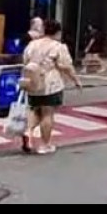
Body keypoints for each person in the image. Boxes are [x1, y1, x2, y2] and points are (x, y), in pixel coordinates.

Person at [20, 19, 80, 156]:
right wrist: (76, 80)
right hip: (50, 84)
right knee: (47, 114)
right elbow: (66, 66)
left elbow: (25, 61)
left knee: (35, 110)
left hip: (33, 83)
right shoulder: (58, 47)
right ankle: (44, 145)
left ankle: (28, 131)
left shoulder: (32, 44)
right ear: (57, 32)